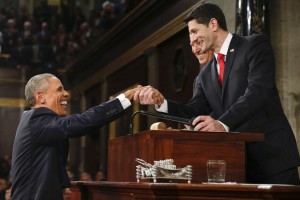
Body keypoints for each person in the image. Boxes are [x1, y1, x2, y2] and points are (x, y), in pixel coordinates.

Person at [134, 3, 300, 184]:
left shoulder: (254, 45)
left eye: (195, 31)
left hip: (272, 159)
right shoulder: (203, 76)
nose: (193, 39)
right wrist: (161, 102)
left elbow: (258, 91)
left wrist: (222, 123)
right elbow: (194, 111)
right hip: (236, 165)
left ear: (213, 24)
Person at [9, 73, 145, 200]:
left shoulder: (37, 121)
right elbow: (83, 121)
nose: (66, 94)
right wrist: (124, 99)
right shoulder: (36, 120)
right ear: (41, 97)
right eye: (59, 90)